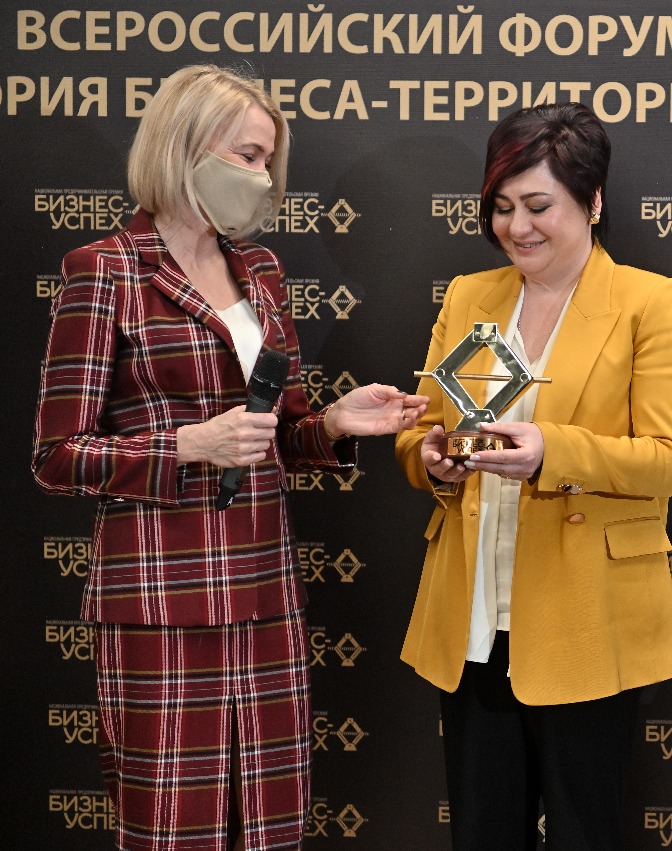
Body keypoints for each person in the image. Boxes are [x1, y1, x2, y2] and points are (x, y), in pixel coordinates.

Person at [31, 64, 428, 850]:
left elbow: (278, 435)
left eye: (268, 161)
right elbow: (57, 454)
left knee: (270, 825)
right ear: (186, 145)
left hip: (264, 593)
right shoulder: (104, 270)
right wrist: (187, 444)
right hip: (161, 601)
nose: (262, 177)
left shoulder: (262, 272)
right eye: (247, 156)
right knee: (170, 827)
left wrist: (335, 423)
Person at [395, 102, 672, 850]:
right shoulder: (469, 295)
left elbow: (668, 459)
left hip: (587, 620)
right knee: (481, 833)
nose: (516, 227)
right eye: (502, 207)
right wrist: (431, 460)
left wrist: (551, 452)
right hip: (473, 616)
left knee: (583, 832)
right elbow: (420, 433)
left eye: (538, 206)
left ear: (592, 202)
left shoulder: (648, 302)